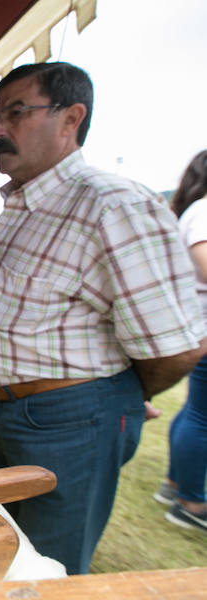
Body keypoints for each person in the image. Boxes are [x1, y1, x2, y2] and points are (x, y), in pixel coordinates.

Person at [0, 62, 207, 574]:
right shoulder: (26, 202)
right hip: (7, 409)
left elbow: (176, 346)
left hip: (68, 420)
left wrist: (115, 397)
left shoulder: (113, 204)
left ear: (72, 118)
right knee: (7, 553)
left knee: (49, 570)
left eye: (16, 113)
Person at [154, 149, 207, 534]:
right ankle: (189, 500)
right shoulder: (204, 212)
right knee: (202, 416)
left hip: (197, 325)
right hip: (202, 328)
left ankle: (176, 483)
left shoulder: (194, 209)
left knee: (197, 411)